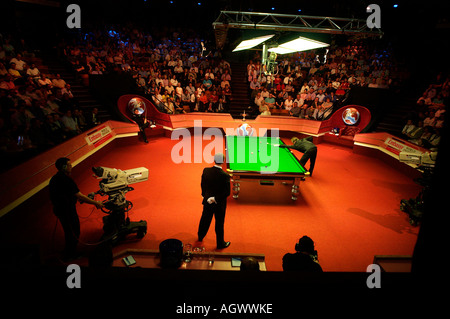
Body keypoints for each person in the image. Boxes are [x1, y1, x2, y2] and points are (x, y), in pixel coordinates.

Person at [49, 157, 104, 261]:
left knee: (68, 230)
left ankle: (69, 251)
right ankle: (70, 254)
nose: (71, 166)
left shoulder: (55, 178)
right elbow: (78, 195)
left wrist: (76, 198)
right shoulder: (66, 180)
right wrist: (96, 203)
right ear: (64, 167)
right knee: (73, 232)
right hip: (66, 210)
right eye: (69, 165)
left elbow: (67, 194)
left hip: (60, 209)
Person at [197, 153, 231, 249]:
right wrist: (215, 199)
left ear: (214, 160)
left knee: (205, 219)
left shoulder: (206, 171)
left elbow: (202, 184)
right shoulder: (225, 175)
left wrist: (205, 196)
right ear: (223, 162)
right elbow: (227, 192)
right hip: (219, 204)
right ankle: (220, 243)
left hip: (207, 201)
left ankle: (200, 236)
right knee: (219, 223)